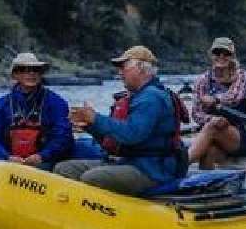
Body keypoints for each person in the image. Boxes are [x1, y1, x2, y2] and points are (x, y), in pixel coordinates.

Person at [58, 46, 187, 195]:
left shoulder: (151, 98)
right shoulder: (135, 96)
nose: (120, 73)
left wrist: (95, 118)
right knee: (64, 169)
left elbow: (131, 135)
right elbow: (114, 140)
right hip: (128, 162)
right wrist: (89, 125)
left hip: (151, 170)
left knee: (92, 178)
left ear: (140, 68)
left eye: (123, 67)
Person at [0, 52, 73, 170]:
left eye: (36, 70)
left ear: (41, 74)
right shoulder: (0, 105)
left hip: (45, 162)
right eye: (24, 69)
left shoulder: (56, 103)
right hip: (8, 162)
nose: (31, 73)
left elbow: (64, 137)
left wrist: (42, 156)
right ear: (15, 75)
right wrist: (6, 157)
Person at [188, 37, 246, 169]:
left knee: (212, 127)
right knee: (209, 152)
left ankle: (182, 164)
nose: (221, 56)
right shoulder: (202, 80)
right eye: (217, 52)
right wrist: (212, 118)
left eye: (226, 53)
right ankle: (206, 185)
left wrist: (215, 100)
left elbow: (234, 98)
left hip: (243, 133)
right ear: (211, 55)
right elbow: (196, 114)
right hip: (217, 133)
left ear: (232, 56)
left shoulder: (241, 75)